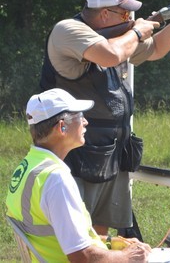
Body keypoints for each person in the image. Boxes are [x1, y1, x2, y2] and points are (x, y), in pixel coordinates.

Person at [39, 0, 170, 236]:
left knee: (101, 233)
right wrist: (138, 31)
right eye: (125, 14)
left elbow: (156, 50)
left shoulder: (119, 38)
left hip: (109, 150)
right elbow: (109, 55)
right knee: (74, 233)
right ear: (105, 14)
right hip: (74, 149)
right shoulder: (68, 30)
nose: (130, 19)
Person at [5, 88, 152, 262]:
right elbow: (82, 257)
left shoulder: (27, 167)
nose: (85, 122)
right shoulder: (56, 179)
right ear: (62, 127)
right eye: (79, 116)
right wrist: (126, 257)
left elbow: (65, 236)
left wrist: (113, 242)